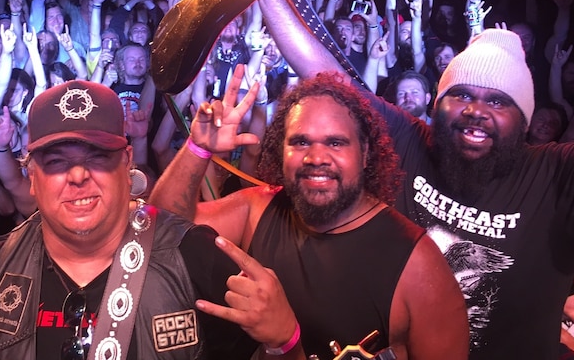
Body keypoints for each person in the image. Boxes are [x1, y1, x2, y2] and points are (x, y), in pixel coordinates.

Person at [252, 0, 574, 359]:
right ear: (438, 103)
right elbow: (326, 74)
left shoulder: (558, 175)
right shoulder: (410, 139)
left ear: (523, 120)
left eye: (499, 101)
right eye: (461, 94)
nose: (476, 111)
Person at [0, 80, 296, 360]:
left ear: (126, 163)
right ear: (32, 177)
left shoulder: (196, 258)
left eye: (97, 157)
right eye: (57, 162)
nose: (77, 175)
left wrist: (287, 343)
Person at [150, 68, 468, 359]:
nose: (316, 157)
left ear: (365, 152)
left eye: (335, 143)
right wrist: (198, 148)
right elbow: (163, 228)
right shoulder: (259, 208)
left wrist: (286, 342)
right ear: (281, 149)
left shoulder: (418, 267)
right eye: (300, 142)